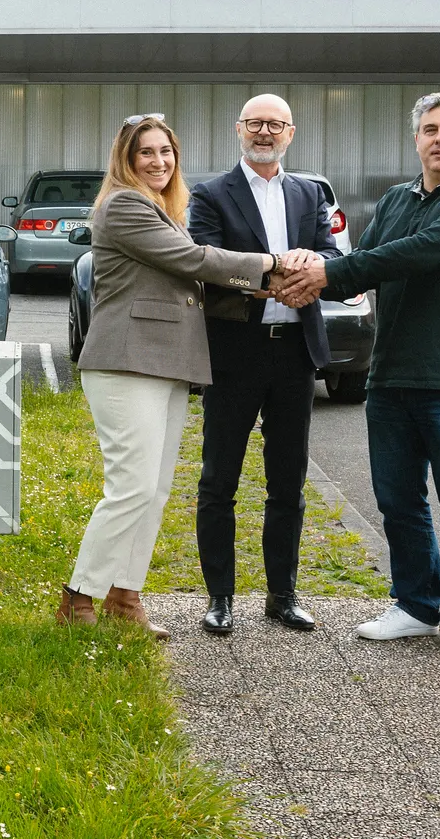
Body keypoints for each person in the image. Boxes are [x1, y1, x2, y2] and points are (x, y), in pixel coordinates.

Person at [276, 93, 440, 659]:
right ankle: (415, 605)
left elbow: (420, 252)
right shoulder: (396, 200)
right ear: (416, 139)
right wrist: (304, 270)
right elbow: (365, 266)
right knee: (398, 501)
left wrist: (325, 272)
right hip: (391, 378)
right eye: (430, 129)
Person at [57, 113, 278, 640]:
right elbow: (191, 260)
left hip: (168, 363)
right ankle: (78, 596)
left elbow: (188, 287)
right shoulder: (124, 205)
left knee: (153, 490)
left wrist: (259, 289)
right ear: (126, 160)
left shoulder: (163, 209)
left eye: (166, 152)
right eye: (146, 153)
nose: (159, 162)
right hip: (126, 362)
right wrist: (270, 264)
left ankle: (125, 596)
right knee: (130, 487)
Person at [187, 94, 340, 635]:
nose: (265, 132)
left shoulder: (309, 193)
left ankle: (283, 595)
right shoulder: (210, 194)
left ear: (291, 133)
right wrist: (271, 279)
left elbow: (331, 255)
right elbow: (206, 263)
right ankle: (220, 598)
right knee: (218, 480)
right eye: (255, 123)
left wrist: (310, 266)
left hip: (295, 352)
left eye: (276, 124)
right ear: (239, 129)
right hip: (235, 352)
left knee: (288, 482)